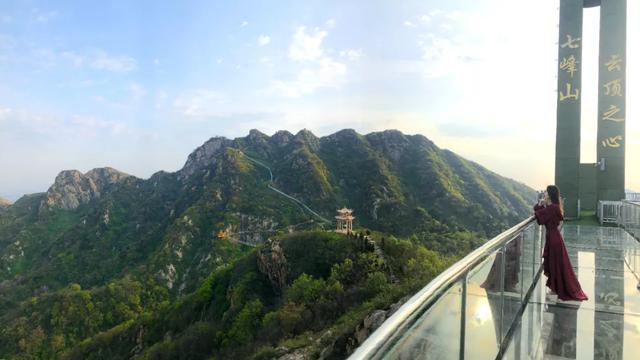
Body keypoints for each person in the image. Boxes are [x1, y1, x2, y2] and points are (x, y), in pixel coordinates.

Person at [534, 185, 588, 301]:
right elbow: (539, 213)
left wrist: (540, 204)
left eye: (546, 192)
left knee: (555, 264)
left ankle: (557, 287)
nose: (544, 194)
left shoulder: (552, 208)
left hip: (553, 239)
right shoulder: (554, 207)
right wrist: (542, 204)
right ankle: (556, 287)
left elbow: (538, 215)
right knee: (557, 264)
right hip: (554, 237)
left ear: (550, 194)